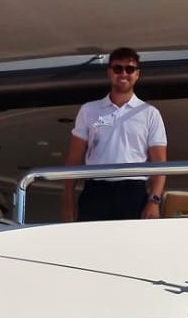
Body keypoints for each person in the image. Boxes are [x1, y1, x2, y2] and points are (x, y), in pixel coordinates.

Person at [61, 48, 167, 222]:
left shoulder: (150, 113)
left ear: (137, 74)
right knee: (91, 246)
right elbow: (74, 158)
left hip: (133, 191)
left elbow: (160, 163)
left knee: (132, 246)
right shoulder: (89, 110)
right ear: (109, 72)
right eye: (118, 69)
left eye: (130, 69)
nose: (123, 74)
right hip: (95, 190)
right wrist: (67, 199)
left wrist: (154, 200)